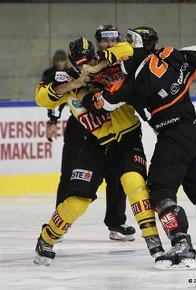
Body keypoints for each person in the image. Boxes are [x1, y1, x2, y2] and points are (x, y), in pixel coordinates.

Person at [82, 27, 196, 270]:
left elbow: (99, 104)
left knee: (160, 193)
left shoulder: (131, 81)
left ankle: (181, 245)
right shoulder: (169, 53)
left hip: (173, 138)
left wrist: (84, 93)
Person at [34, 37, 164, 266]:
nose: (84, 66)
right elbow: (41, 98)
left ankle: (154, 243)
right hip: (96, 144)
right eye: (80, 63)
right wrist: (72, 85)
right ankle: (46, 239)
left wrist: (97, 66)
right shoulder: (71, 81)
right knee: (76, 201)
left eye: (88, 60)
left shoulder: (112, 65)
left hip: (128, 138)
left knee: (134, 183)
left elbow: (128, 49)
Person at [44, 26, 136, 241]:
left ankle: (116, 222)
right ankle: (59, 222)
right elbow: (59, 93)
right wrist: (53, 120)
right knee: (69, 172)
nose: (110, 43)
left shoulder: (117, 61)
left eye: (113, 39)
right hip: (81, 125)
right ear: (97, 44)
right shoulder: (80, 64)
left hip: (110, 125)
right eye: (105, 41)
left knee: (117, 175)